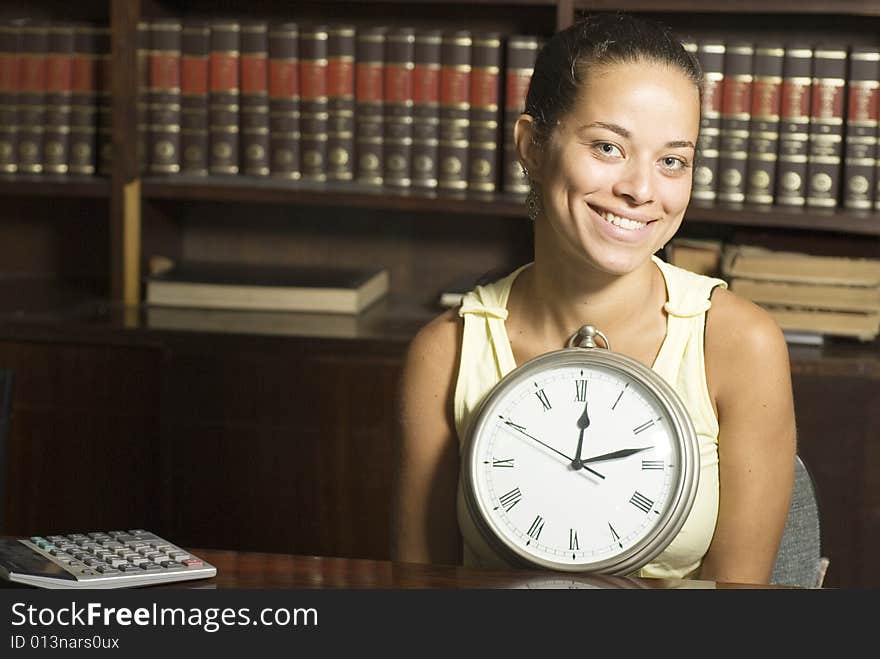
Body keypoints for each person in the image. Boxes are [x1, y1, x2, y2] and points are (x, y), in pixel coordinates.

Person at [391, 12, 796, 585]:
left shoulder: (738, 346)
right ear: (531, 146)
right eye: (608, 147)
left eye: (672, 160)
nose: (640, 189)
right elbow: (419, 601)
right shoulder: (447, 352)